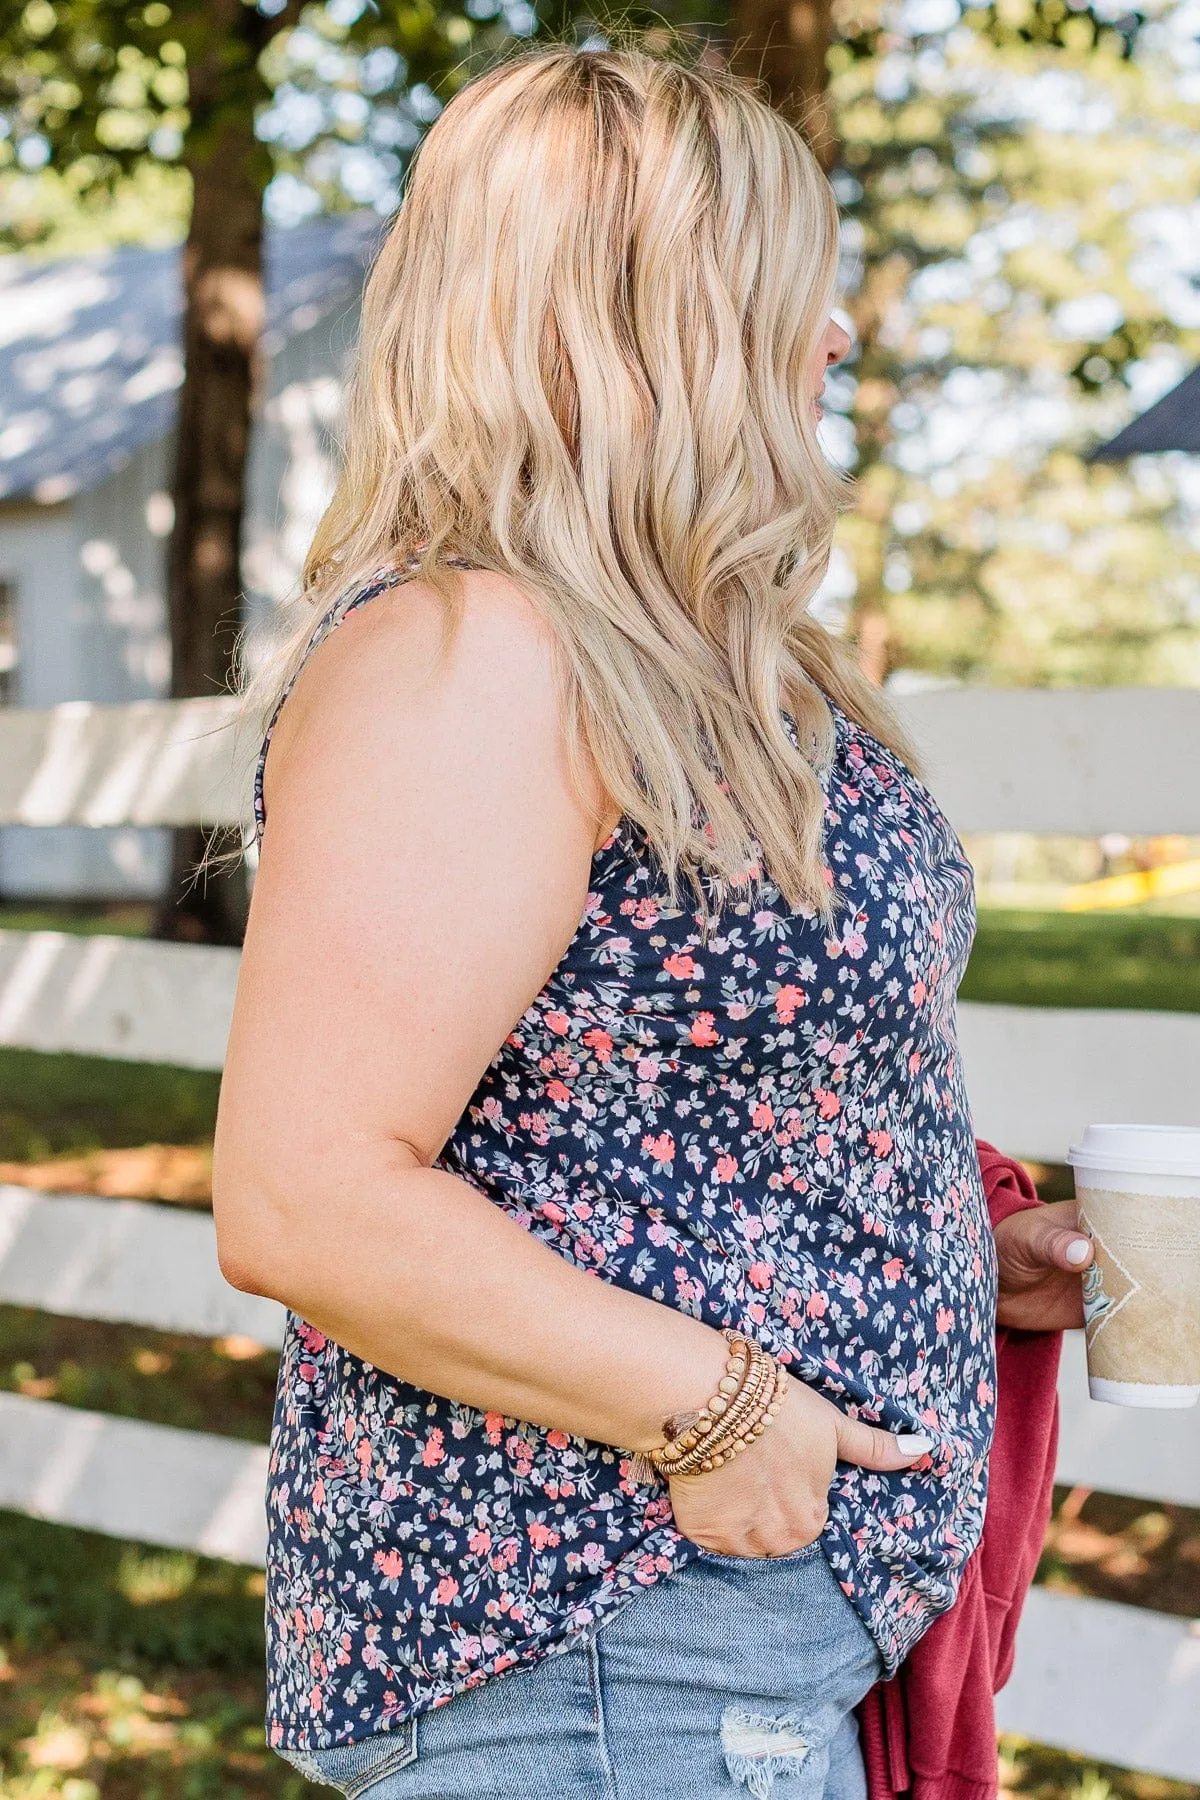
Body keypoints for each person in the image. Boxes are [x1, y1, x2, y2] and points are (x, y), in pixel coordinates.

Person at [212, 45, 1094, 1800]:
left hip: (717, 1648)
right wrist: (724, 1407)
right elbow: (306, 1191)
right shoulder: (479, 654)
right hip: (610, 1652)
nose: (834, 338)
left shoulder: (647, 654)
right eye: (790, 290)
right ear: (642, 320)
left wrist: (926, 1248)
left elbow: (641, 1104)